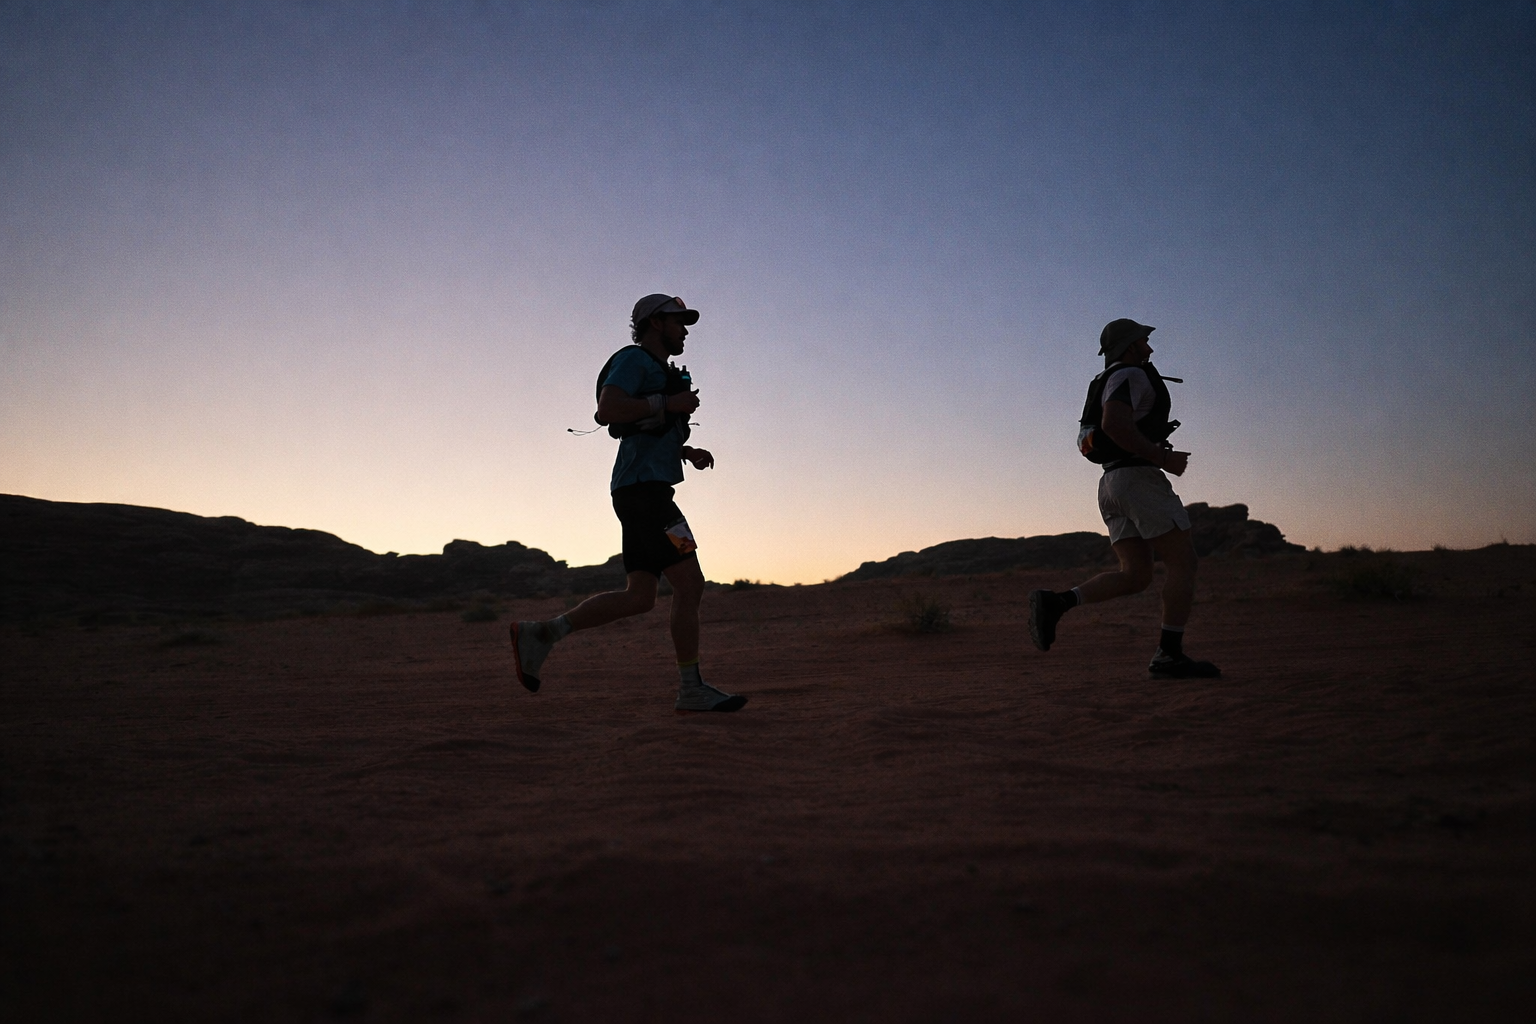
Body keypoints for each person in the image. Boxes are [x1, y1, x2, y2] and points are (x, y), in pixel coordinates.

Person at [510, 293, 747, 712]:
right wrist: (668, 403)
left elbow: (644, 432)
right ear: (656, 323)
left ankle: (541, 634)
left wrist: (685, 451)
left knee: (640, 597)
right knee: (690, 584)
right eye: (678, 321)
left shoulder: (660, 371)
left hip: (641, 492)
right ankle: (691, 690)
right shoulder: (635, 360)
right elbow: (608, 409)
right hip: (646, 494)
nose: (685, 330)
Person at [1028, 318, 1221, 679]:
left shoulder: (1106, 380)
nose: (1150, 347)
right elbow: (1115, 424)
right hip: (1137, 480)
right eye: (1144, 341)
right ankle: (1169, 655)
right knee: (1184, 563)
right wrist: (1162, 458)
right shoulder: (1131, 375)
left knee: (1135, 575)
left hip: (1111, 483)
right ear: (1130, 345)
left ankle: (1058, 602)